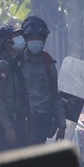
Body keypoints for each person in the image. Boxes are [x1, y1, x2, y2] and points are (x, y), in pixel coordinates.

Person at [0, 24, 30, 153]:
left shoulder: (15, 65)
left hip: (16, 122)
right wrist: (8, 128)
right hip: (3, 125)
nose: (20, 40)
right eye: (14, 37)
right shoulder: (2, 66)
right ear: (5, 43)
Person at [20, 16, 66, 144]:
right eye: (31, 38)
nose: (35, 41)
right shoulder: (17, 64)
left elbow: (55, 96)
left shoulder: (49, 65)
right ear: (25, 40)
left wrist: (61, 125)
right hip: (20, 122)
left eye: (38, 38)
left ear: (44, 40)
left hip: (41, 123)